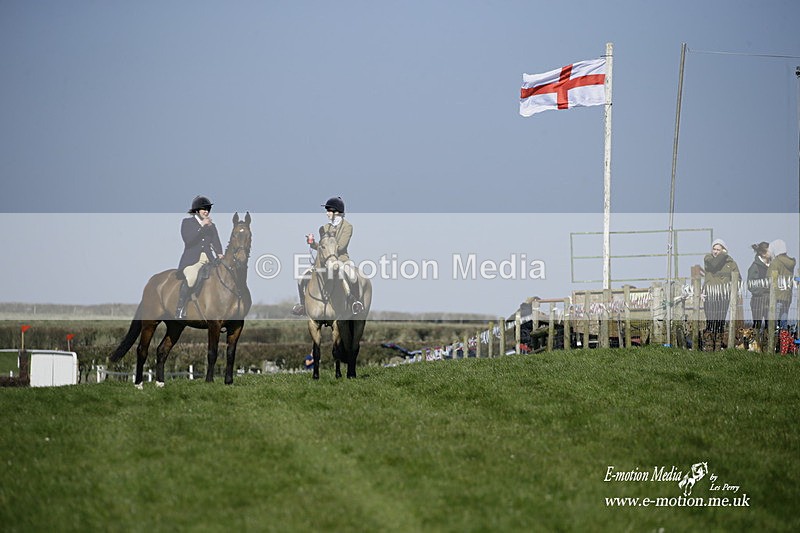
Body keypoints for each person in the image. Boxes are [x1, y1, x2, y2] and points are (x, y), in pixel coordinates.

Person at [292, 196, 363, 316]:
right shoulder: (325, 227)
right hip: (324, 261)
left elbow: (340, 246)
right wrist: (313, 243)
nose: (327, 214)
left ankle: (355, 302)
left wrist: (327, 248)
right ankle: (303, 305)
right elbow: (323, 247)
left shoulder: (347, 227)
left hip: (341, 259)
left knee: (352, 276)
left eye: (329, 211)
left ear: (337, 212)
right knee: (301, 278)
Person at [175, 195, 224, 319]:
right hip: (192, 260)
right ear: (197, 210)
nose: (206, 211)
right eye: (204, 209)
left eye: (208, 209)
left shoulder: (211, 226)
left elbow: (216, 242)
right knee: (191, 278)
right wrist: (202, 225)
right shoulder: (187, 223)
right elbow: (188, 240)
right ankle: (180, 308)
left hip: (209, 259)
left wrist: (220, 253)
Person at [703, 238, 740, 345]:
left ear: (723, 250)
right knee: (710, 321)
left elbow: (738, 278)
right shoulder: (708, 259)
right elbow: (714, 264)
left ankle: (718, 344)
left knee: (720, 321)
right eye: (714, 249)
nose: (715, 251)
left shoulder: (731, 263)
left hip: (724, 296)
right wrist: (723, 255)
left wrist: (732, 291)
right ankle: (709, 344)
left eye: (718, 249)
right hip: (710, 295)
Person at [767, 239, 796, 329]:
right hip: (787, 295)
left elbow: (769, 277)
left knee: (772, 320)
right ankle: (784, 340)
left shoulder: (776, 262)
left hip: (777, 295)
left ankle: (772, 339)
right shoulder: (790, 263)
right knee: (783, 319)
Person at [746, 241, 770, 330]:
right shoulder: (755, 267)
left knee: (770, 325)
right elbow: (750, 284)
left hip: (770, 300)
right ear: (763, 253)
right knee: (757, 325)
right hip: (758, 300)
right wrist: (762, 290)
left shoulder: (772, 266)